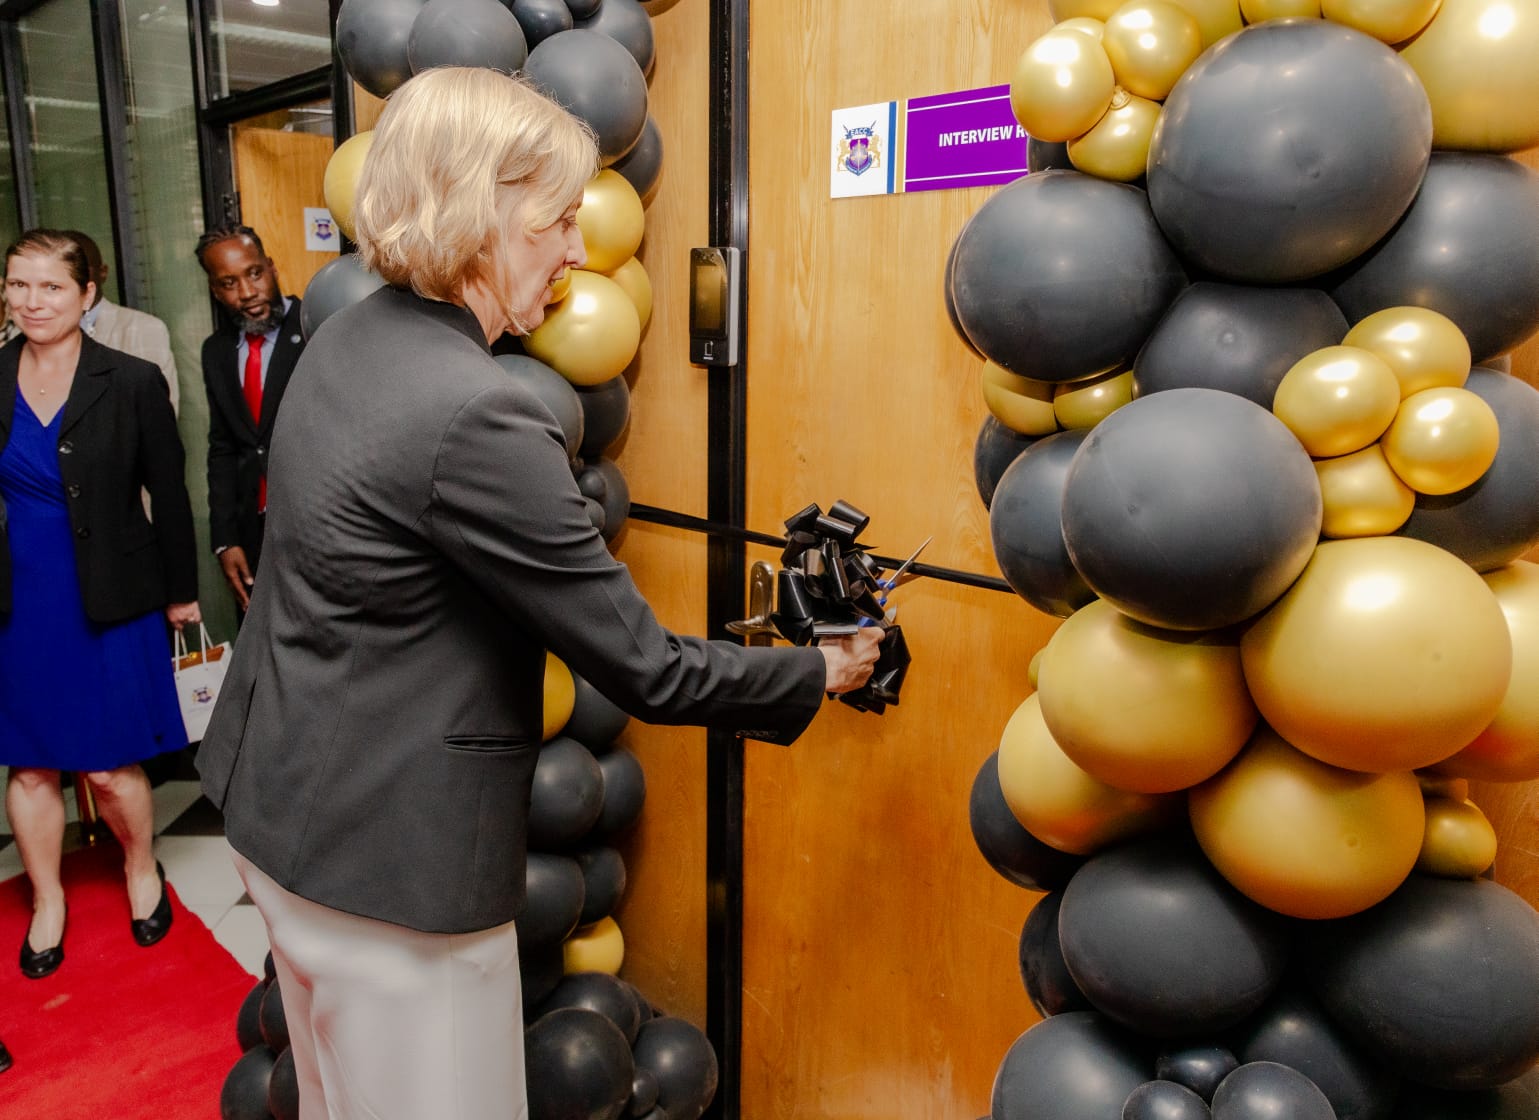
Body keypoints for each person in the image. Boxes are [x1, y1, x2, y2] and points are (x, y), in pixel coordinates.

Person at [196, 67, 884, 1120]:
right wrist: (821, 667)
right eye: (555, 219)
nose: (575, 250)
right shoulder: (475, 411)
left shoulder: (344, 337)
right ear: (474, 215)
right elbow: (645, 666)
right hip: (393, 876)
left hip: (285, 817)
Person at [0, 229, 201, 979]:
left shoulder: (132, 378)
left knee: (114, 768)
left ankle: (140, 866)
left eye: (50, 286)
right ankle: (48, 899)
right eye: (18, 284)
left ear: (87, 295)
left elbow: (170, 496)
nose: (31, 301)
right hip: (18, 598)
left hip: (113, 591)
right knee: (28, 768)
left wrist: (180, 591)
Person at [194, 224, 304, 613]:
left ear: (271, 268)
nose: (246, 293)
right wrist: (225, 538)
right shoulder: (216, 351)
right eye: (228, 283)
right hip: (252, 535)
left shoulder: (315, 329)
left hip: (316, 524)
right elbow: (222, 447)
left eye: (254, 274)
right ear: (214, 290)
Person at [67, 231, 179, 414]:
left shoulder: (144, 329)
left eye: (81, 270)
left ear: (103, 273)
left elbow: (158, 416)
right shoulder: (29, 335)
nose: (73, 279)